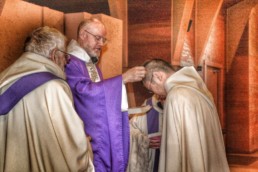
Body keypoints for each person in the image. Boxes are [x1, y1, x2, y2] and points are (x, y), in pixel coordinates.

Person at [0, 26, 94, 172]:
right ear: (55, 54)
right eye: (65, 56)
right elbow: (72, 150)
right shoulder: (53, 87)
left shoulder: (4, 79)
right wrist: (85, 146)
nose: (66, 61)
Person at [65, 18, 146, 172]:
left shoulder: (90, 64)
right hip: (83, 135)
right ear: (83, 34)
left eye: (104, 39)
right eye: (98, 38)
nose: (101, 44)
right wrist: (122, 79)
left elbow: (100, 94)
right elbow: (82, 92)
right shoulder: (71, 62)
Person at [142, 59, 230, 172]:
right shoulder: (201, 91)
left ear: (158, 76)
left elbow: (175, 150)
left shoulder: (176, 96)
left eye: (150, 89)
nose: (155, 93)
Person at [127, 94, 164, 172]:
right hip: (152, 160)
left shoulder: (181, 102)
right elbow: (130, 128)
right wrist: (143, 140)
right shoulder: (149, 104)